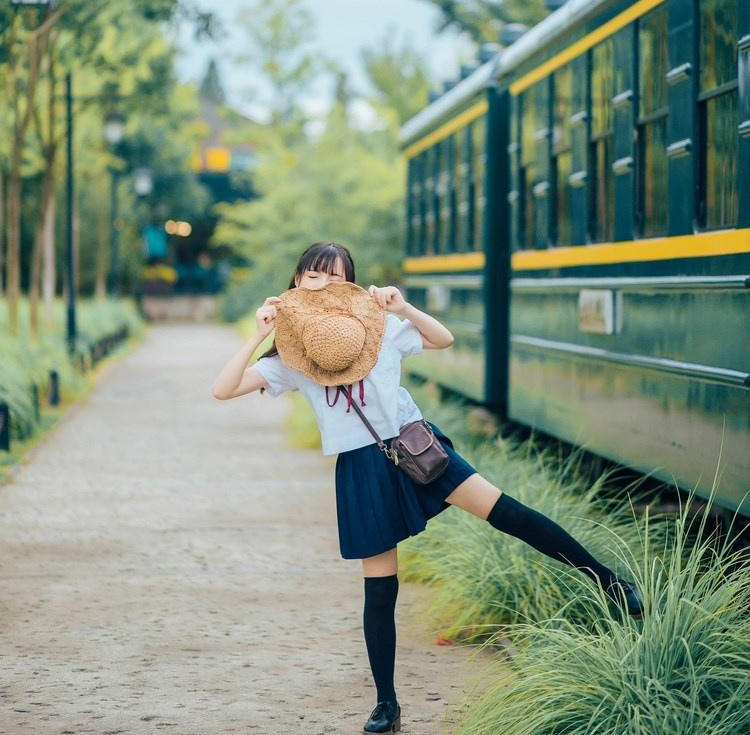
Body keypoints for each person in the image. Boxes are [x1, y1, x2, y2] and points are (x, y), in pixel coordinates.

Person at [213, 241, 643, 734]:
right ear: (296, 282)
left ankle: (608, 581)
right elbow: (223, 389)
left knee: (507, 511)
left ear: (350, 284)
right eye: (314, 276)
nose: (324, 285)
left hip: (415, 448)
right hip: (361, 470)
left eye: (336, 277)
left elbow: (443, 339)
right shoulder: (292, 358)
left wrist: (402, 306)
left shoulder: (378, 328)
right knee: (379, 591)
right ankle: (387, 705)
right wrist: (256, 337)